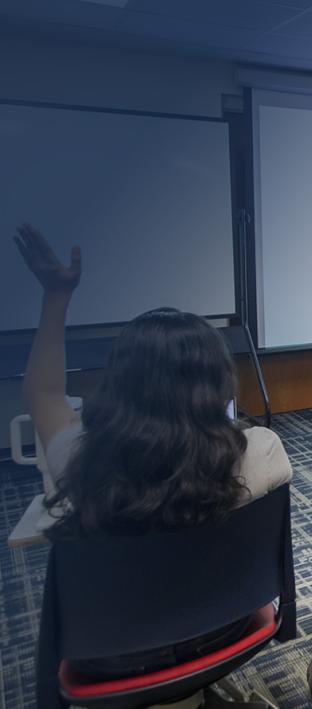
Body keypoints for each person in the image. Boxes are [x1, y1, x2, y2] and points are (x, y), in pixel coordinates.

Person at [14, 224, 292, 677]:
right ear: (218, 384)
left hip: (113, 655)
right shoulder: (261, 453)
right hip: (230, 628)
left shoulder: (80, 461)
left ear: (120, 385)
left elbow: (43, 396)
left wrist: (56, 296)